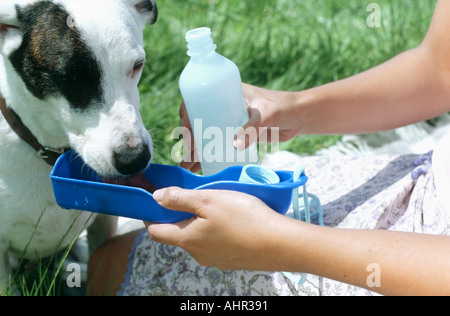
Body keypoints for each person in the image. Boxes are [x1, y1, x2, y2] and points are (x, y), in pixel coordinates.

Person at [88, 0, 450, 296]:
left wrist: (282, 244)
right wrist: (296, 108)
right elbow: (441, 69)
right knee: (109, 260)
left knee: (111, 273)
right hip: (425, 183)